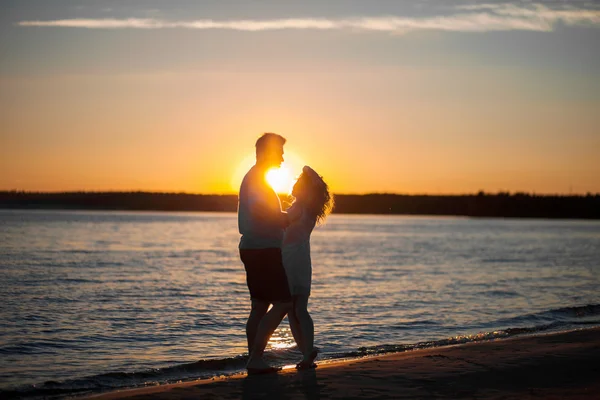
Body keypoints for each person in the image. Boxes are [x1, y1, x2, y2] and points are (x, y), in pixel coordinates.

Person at [238, 132, 292, 374]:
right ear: (268, 152)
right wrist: (286, 219)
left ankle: (255, 360)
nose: (282, 157)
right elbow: (260, 211)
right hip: (263, 250)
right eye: (279, 151)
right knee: (283, 303)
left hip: (255, 248)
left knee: (259, 306)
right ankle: (256, 357)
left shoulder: (256, 177)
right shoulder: (257, 179)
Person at [283, 166, 334, 369]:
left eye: (298, 183)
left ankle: (306, 352)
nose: (293, 185)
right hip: (302, 260)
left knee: (291, 310)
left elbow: (277, 221)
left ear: (305, 189)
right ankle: (306, 353)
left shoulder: (298, 208)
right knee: (299, 310)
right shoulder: (310, 210)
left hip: (289, 260)